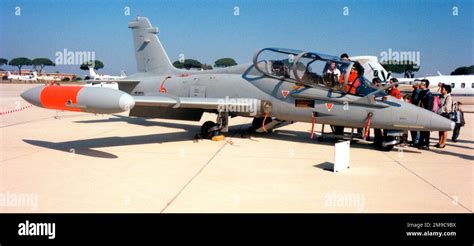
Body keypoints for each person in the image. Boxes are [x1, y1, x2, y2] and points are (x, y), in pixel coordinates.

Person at [417, 79, 434, 150]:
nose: (419, 85)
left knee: (426, 129)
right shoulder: (421, 93)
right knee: (421, 129)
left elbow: (429, 107)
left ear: (424, 85)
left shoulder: (429, 94)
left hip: (426, 114)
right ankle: (421, 142)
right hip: (420, 113)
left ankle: (426, 143)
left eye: (421, 84)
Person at [435, 84, 454, 148]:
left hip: (445, 115)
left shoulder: (448, 97)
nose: (441, 90)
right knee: (440, 129)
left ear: (446, 90)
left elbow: (447, 107)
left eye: (442, 89)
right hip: (440, 114)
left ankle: (443, 143)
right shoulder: (441, 96)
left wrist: (439, 110)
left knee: (444, 130)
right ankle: (440, 141)